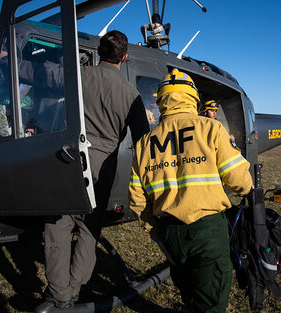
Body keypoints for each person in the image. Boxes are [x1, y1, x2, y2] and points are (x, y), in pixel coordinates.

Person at [129, 68, 253, 313]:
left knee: (190, 293)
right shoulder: (211, 128)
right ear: (193, 98)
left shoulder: (144, 143)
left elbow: (136, 199)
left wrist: (156, 233)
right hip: (207, 231)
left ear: (161, 101)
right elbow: (239, 180)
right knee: (211, 303)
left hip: (170, 234)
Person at [42, 30, 149, 309]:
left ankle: (59, 293)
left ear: (99, 52)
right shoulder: (131, 94)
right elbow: (143, 140)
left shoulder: (78, 77)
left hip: (68, 159)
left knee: (57, 226)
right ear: (124, 58)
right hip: (102, 165)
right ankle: (72, 292)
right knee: (89, 230)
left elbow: (46, 75)